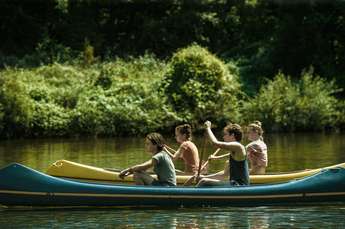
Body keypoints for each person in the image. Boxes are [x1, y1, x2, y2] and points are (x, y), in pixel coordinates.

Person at [197, 121, 250, 187]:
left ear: (232, 135)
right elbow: (224, 175)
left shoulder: (238, 146)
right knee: (203, 180)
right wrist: (204, 176)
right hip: (234, 184)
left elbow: (215, 143)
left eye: (225, 134)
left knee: (203, 182)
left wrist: (208, 128)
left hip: (239, 186)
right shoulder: (233, 152)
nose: (223, 137)